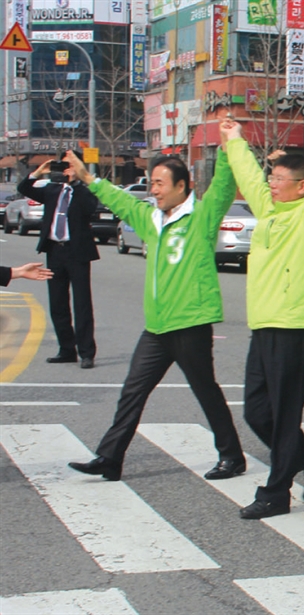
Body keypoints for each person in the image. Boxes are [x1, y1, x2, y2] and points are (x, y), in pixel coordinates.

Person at [58, 147, 246, 483]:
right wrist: (89, 178)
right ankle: (110, 458)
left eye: (160, 183)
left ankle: (232, 456)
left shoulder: (201, 217)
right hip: (157, 327)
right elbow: (123, 202)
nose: (154, 189)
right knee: (133, 390)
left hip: (190, 322)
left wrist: (231, 146)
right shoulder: (152, 219)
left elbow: (222, 187)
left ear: (182, 186)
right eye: (152, 183)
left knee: (205, 390)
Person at [224, 118, 304, 520]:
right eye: (273, 177)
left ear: (302, 186)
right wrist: (234, 138)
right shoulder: (268, 208)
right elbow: (248, 174)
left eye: (281, 178)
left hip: (297, 326)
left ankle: (275, 492)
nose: (272, 183)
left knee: (285, 416)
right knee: (257, 410)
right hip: (265, 324)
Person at [18, 157, 100, 368]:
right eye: (64, 166)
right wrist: (39, 172)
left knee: (82, 303)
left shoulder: (84, 190)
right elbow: (24, 187)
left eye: (70, 166)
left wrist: (76, 182)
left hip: (77, 252)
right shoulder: (52, 190)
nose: (67, 170)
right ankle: (66, 349)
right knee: (57, 303)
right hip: (54, 251)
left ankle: (86, 353)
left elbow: (90, 208)